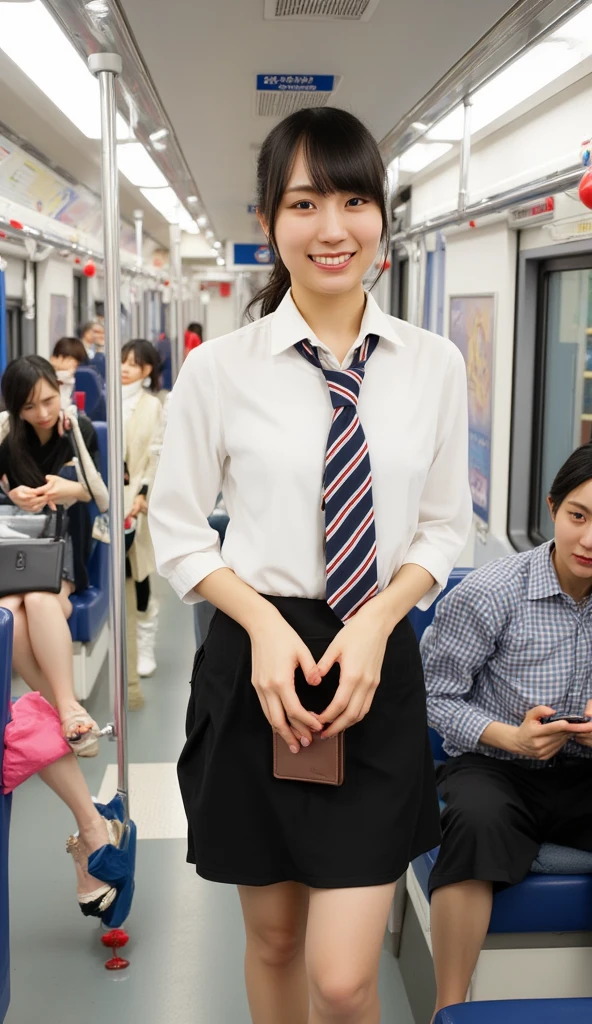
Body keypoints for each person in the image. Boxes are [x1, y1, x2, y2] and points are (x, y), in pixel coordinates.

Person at [149, 105, 472, 1024]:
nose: (332, 228)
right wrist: (256, 623)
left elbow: (443, 528)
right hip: (258, 663)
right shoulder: (222, 372)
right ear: (268, 223)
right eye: (304, 204)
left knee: (342, 976)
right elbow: (177, 532)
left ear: (381, 217)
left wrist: (376, 620)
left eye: (354, 200)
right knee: (276, 942)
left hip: (375, 660)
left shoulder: (435, 366)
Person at [423, 442, 592, 1018]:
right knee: (475, 822)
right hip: (494, 764)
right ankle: (452, 1009)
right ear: (552, 509)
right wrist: (509, 736)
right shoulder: (491, 593)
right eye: (579, 516)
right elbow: (432, 697)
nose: (589, 539)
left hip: (583, 769)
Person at [0, 356, 124, 918]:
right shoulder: (7, 440)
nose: (44, 414)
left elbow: (107, 500)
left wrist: (66, 490)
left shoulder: (81, 429)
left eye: (49, 401)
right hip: (13, 552)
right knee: (11, 606)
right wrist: (12, 498)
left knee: (38, 597)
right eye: (31, 407)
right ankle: (65, 707)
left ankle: (63, 705)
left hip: (61, 555)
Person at [121, 339, 164, 691]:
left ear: (147, 370)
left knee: (141, 571)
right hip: (109, 501)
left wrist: (143, 494)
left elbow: (156, 455)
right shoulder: (104, 402)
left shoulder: (153, 406)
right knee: (118, 572)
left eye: (132, 364)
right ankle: (126, 641)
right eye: (122, 362)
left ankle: (145, 641)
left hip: (140, 500)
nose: (124, 368)